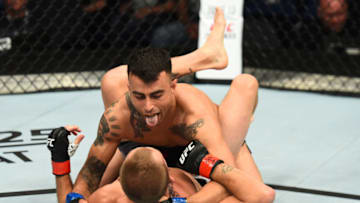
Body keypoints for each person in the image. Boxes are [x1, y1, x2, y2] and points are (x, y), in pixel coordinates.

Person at [70, 7, 273, 202]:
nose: (148, 106)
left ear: (173, 84)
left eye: (157, 95)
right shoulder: (118, 115)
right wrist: (76, 196)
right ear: (130, 90)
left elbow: (230, 178)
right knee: (111, 81)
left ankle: (209, 63)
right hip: (146, 150)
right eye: (139, 96)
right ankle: (205, 56)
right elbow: (89, 176)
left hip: (195, 153)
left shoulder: (195, 116)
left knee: (246, 84)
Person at [48, 126, 274, 203]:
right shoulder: (193, 200)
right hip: (192, 166)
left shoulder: (107, 197)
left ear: (121, 179)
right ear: (170, 179)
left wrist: (60, 161)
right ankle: (238, 143)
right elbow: (262, 194)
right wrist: (207, 164)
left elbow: (71, 200)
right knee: (232, 140)